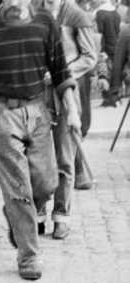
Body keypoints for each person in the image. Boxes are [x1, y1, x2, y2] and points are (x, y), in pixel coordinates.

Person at [0, 0, 81, 280]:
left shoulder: (45, 22)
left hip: (37, 108)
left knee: (48, 182)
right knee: (19, 187)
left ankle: (14, 212)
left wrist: (72, 110)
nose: (14, 3)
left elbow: (61, 69)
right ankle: (29, 257)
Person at [37, 0, 97, 239]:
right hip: (37, 96)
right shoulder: (32, 12)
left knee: (64, 158)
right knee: (37, 159)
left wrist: (61, 73)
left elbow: (89, 57)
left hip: (66, 95)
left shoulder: (76, 16)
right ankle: (38, 214)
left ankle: (61, 217)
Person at [96, 0, 122, 106]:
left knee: (104, 72)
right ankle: (114, 95)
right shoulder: (116, 14)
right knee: (113, 71)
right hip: (115, 45)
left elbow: (99, 33)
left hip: (105, 47)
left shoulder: (100, 13)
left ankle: (108, 97)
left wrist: (100, 50)